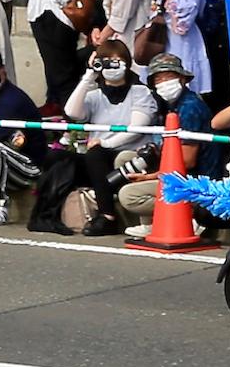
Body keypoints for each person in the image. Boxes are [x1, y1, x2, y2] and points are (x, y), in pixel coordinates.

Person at [29, 40, 158, 236]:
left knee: (94, 154)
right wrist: (90, 74)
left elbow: (136, 128)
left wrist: (105, 143)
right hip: (99, 162)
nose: (112, 67)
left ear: (127, 63)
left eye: (117, 61)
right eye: (106, 62)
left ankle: (108, 216)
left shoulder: (140, 92)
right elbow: (72, 111)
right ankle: (45, 216)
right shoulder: (95, 95)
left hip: (129, 157)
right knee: (58, 158)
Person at [120, 53, 223, 237]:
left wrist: (149, 177)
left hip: (196, 179)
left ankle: (188, 214)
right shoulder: (171, 104)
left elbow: (186, 162)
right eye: (158, 79)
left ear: (182, 79)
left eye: (169, 77)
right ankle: (149, 222)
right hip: (179, 170)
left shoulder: (190, 107)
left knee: (128, 196)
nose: (163, 82)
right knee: (126, 159)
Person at [0, 47, 44, 225]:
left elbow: (0, 140)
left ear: (2, 72)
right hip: (2, 168)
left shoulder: (13, 101)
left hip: (27, 168)